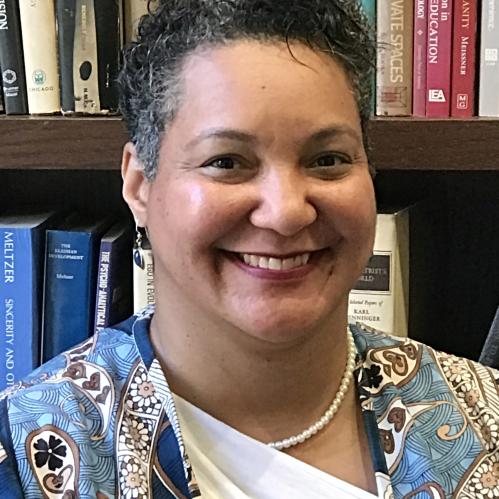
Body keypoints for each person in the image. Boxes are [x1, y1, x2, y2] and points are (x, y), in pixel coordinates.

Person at [1, 1, 498, 498]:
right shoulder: (26, 455)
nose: (286, 212)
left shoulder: (482, 419)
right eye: (226, 161)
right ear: (139, 185)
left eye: (328, 159)